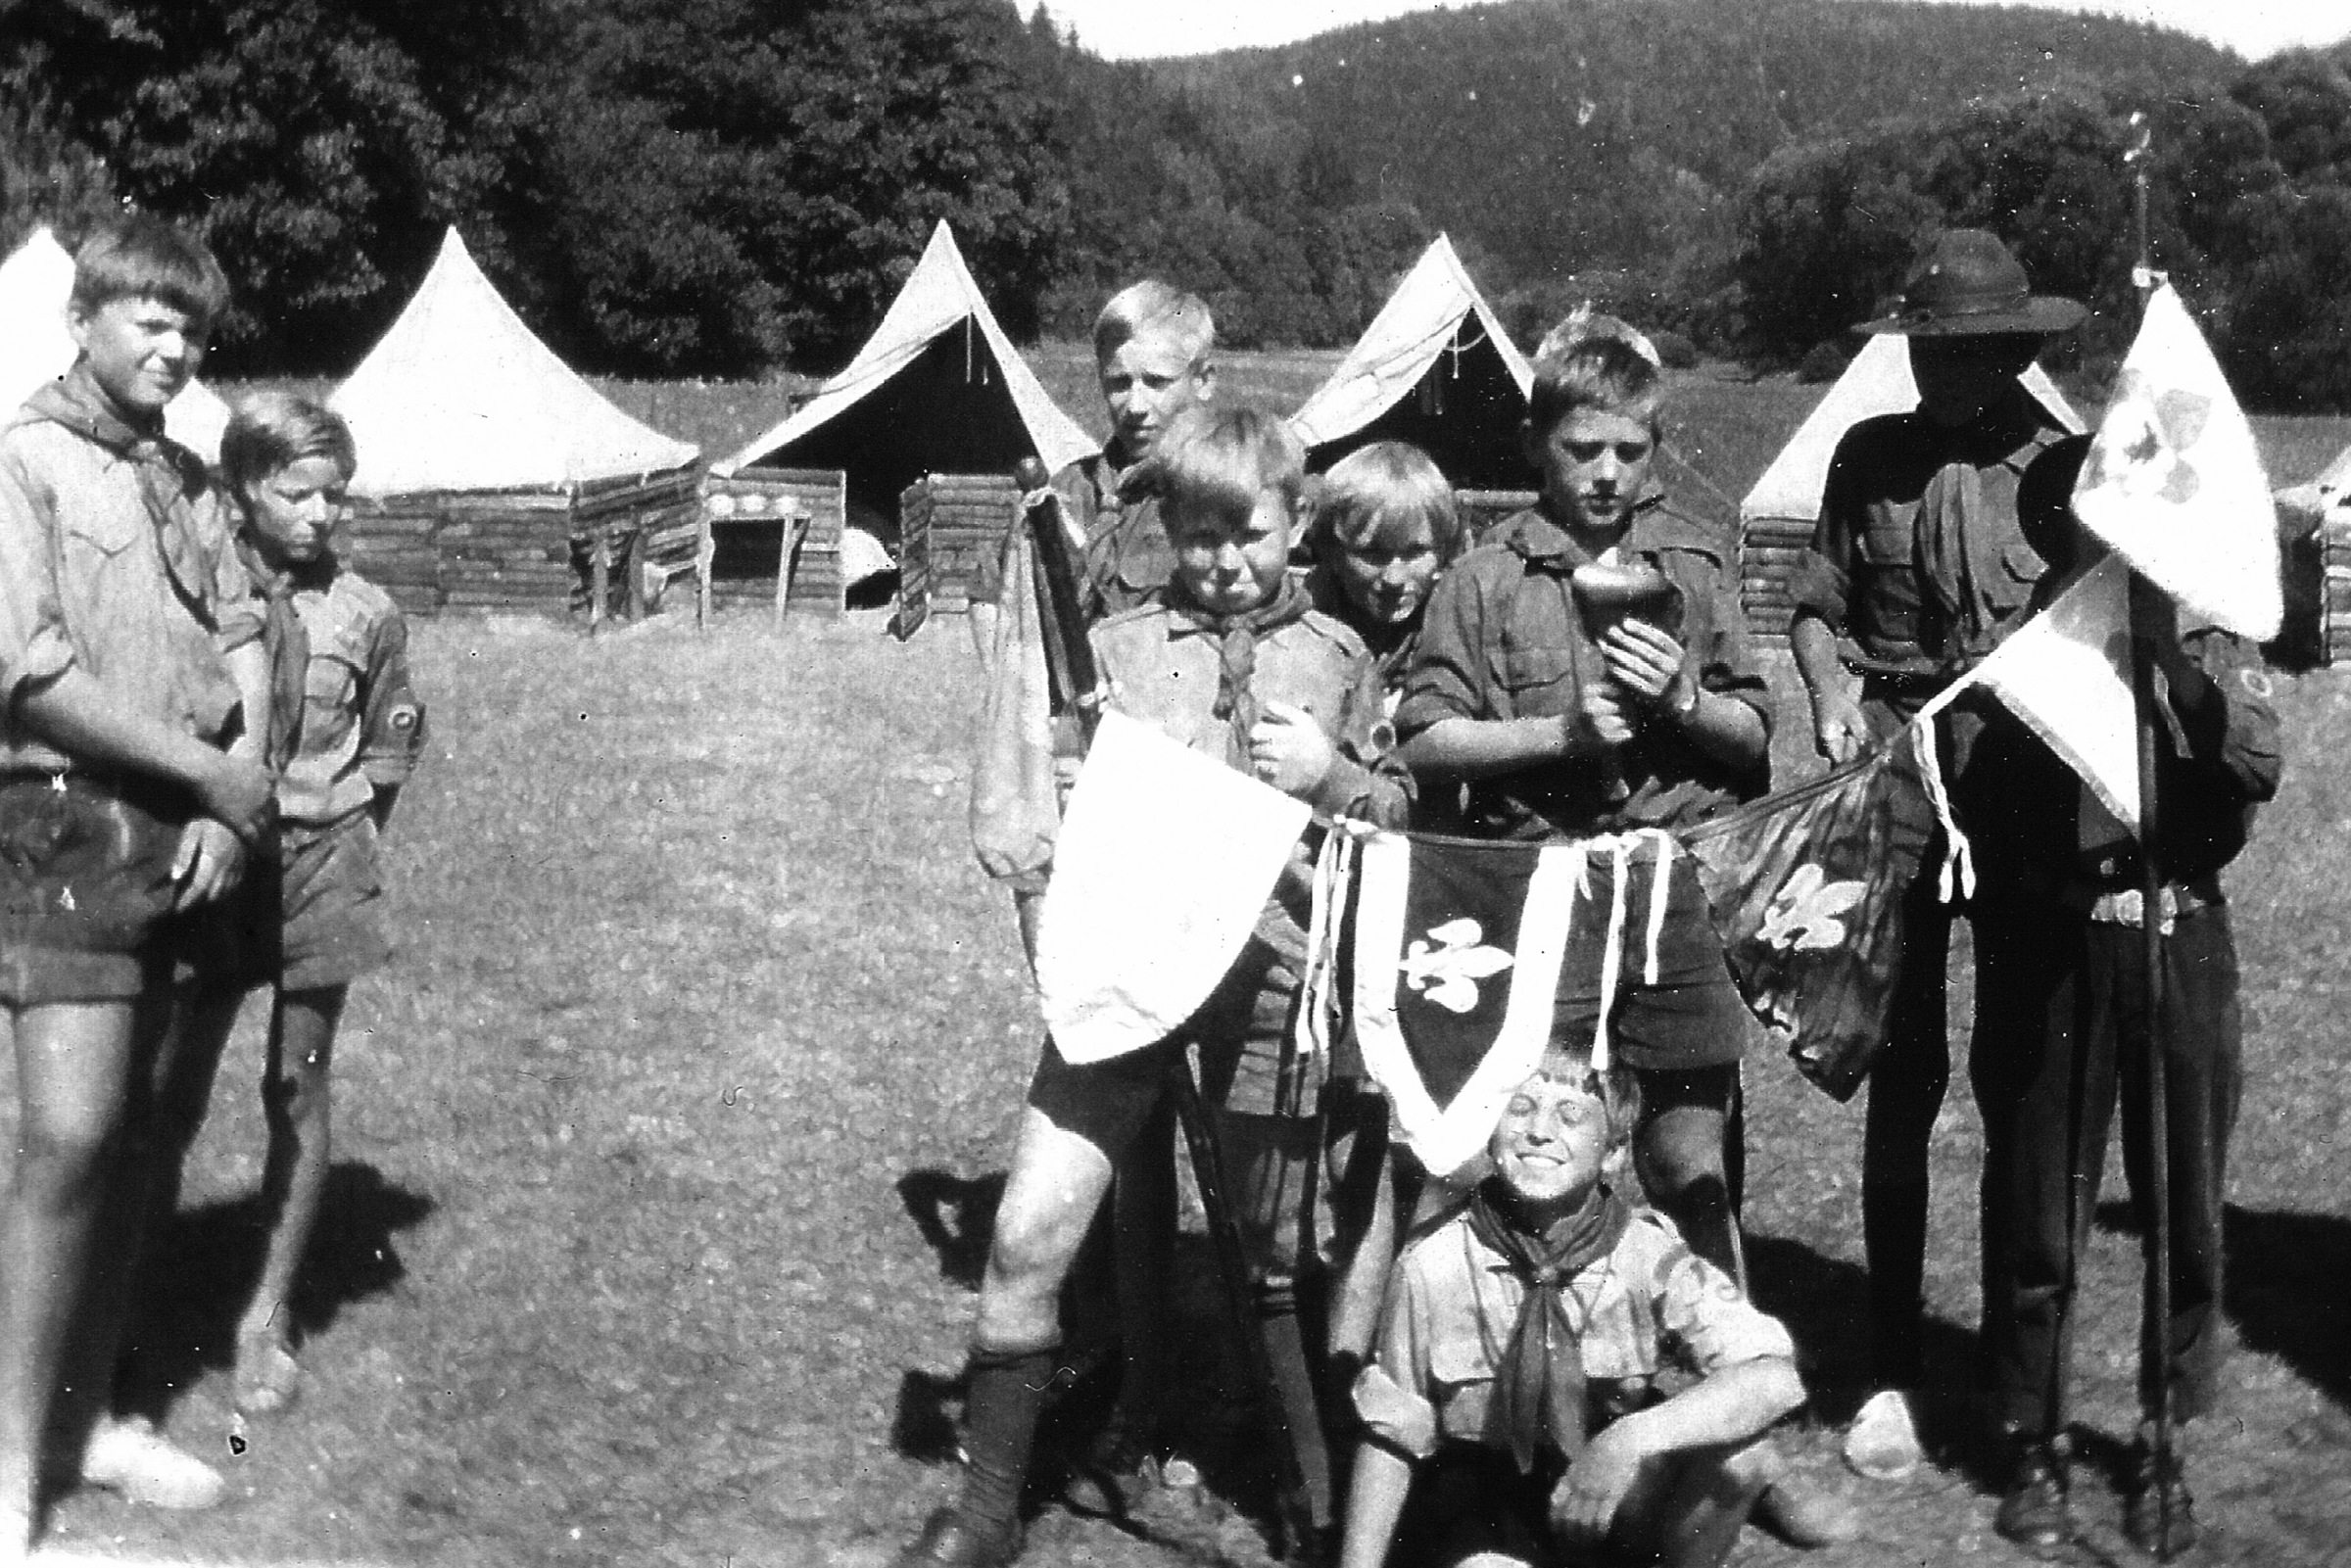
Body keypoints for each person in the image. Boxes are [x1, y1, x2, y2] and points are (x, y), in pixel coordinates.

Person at [899, 406, 1409, 1568]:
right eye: (1199, 534)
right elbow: (1048, 797)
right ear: (1167, 529)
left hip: (1273, 976)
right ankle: (983, 1516)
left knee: (1273, 1251)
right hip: (1129, 968)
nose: (1223, 560)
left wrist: (1332, 776)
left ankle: (1311, 1498)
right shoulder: (1114, 649)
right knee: (1028, 1230)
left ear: (1296, 526)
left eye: (1250, 533)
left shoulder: (1338, 654)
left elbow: (1391, 814)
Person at [0, 214, 277, 1558]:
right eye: (150, 322)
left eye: (193, 331)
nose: (175, 348)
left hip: (192, 830)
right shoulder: (21, 462)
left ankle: (90, 1422)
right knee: (67, 1140)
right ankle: (9, 1470)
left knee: (143, 1141)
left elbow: (243, 629)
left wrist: (237, 790)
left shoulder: (186, 477)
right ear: (83, 320)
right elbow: (32, 677)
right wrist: (215, 776)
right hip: (67, 825)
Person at [1394, 316, 1768, 1287]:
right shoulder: (1484, 578)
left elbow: (1754, 734)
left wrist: (1685, 699)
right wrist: (1560, 734)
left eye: (1630, 451)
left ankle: (1723, 1354)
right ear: (1534, 444)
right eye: (1582, 448)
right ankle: (1505, 1345)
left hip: (1673, 886)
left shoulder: (1692, 566)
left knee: (1688, 1158)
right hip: (1537, 889)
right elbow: (1425, 738)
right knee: (1518, 1144)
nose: (1606, 473)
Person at [1783, 230, 2087, 1404]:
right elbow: (1816, 607)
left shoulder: (2063, 467)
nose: (1941, 371)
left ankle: (2014, 1367)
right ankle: (1892, 1360)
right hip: (1898, 778)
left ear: (2013, 352)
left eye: (1968, 352)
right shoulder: (1869, 455)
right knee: (1900, 1067)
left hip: (2020, 781)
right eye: (1926, 349)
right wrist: (1830, 691)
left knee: (2017, 1070)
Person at [1961, 439, 2279, 1555]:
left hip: (2180, 936)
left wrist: (2170, 668)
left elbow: (2257, 764)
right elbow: (1976, 778)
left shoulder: (2206, 627)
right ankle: (2035, 1435)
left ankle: (2162, 1438)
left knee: (2183, 1202)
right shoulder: (2033, 637)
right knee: (2040, 1202)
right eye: (2092, 518)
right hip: (2060, 941)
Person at [157, 393, 425, 1417]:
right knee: (169, 1088)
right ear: (242, 488)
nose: (321, 514)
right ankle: (133, 1285)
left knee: (297, 1085)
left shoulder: (365, 611)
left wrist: (335, 835)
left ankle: (265, 1317)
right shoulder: (199, 592)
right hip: (222, 867)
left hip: (320, 867)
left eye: (336, 495)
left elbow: (390, 747)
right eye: (297, 493)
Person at [1339, 1043, 1805, 1568]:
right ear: (1487, 1131)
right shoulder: (1433, 1264)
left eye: (1570, 1115)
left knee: (1746, 1461)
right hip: (1486, 1505)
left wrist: (1629, 1440)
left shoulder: (1646, 1256)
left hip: (1608, 1491)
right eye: (1519, 1109)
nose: (1539, 1131)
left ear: (1613, 1153)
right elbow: (1391, 1433)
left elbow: (1773, 1377)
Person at [966, 279, 1216, 666]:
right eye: (1119, 383)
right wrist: (1013, 681)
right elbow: (989, 590)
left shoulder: (1225, 491)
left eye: (1156, 382)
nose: (1135, 405)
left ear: (1203, 381)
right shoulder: (1069, 490)